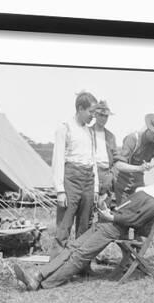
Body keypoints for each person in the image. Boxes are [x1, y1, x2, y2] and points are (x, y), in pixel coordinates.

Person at [12, 174, 154, 290]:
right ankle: (39, 274)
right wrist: (107, 211)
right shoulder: (146, 192)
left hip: (115, 228)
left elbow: (134, 221)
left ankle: (44, 283)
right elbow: (124, 211)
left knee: (80, 254)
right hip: (108, 223)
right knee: (72, 247)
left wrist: (112, 217)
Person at [51, 91, 99, 258]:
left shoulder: (90, 131)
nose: (93, 116)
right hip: (71, 178)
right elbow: (57, 159)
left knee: (85, 225)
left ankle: (81, 265)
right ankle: (54, 267)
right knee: (64, 224)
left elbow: (93, 159)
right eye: (90, 112)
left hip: (88, 179)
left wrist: (96, 189)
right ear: (80, 108)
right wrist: (60, 190)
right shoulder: (64, 127)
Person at [113, 112, 154, 204]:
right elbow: (118, 165)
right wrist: (140, 168)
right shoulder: (133, 139)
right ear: (149, 129)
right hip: (123, 183)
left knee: (137, 213)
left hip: (138, 185)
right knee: (123, 212)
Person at [90, 100, 118, 205]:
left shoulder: (110, 136)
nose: (103, 118)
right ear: (95, 115)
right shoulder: (88, 132)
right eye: (101, 115)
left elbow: (116, 158)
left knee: (105, 206)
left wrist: (111, 175)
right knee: (89, 207)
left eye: (106, 116)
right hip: (91, 172)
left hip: (106, 173)